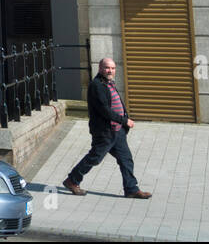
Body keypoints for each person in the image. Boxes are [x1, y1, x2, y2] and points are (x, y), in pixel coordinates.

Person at [63, 58, 152, 199]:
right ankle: (72, 181)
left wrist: (122, 122)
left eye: (113, 68)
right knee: (95, 158)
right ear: (100, 68)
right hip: (105, 132)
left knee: (126, 159)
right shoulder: (96, 85)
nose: (110, 71)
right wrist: (124, 120)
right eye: (107, 68)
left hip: (117, 132)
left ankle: (131, 189)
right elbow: (104, 110)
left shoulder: (109, 83)